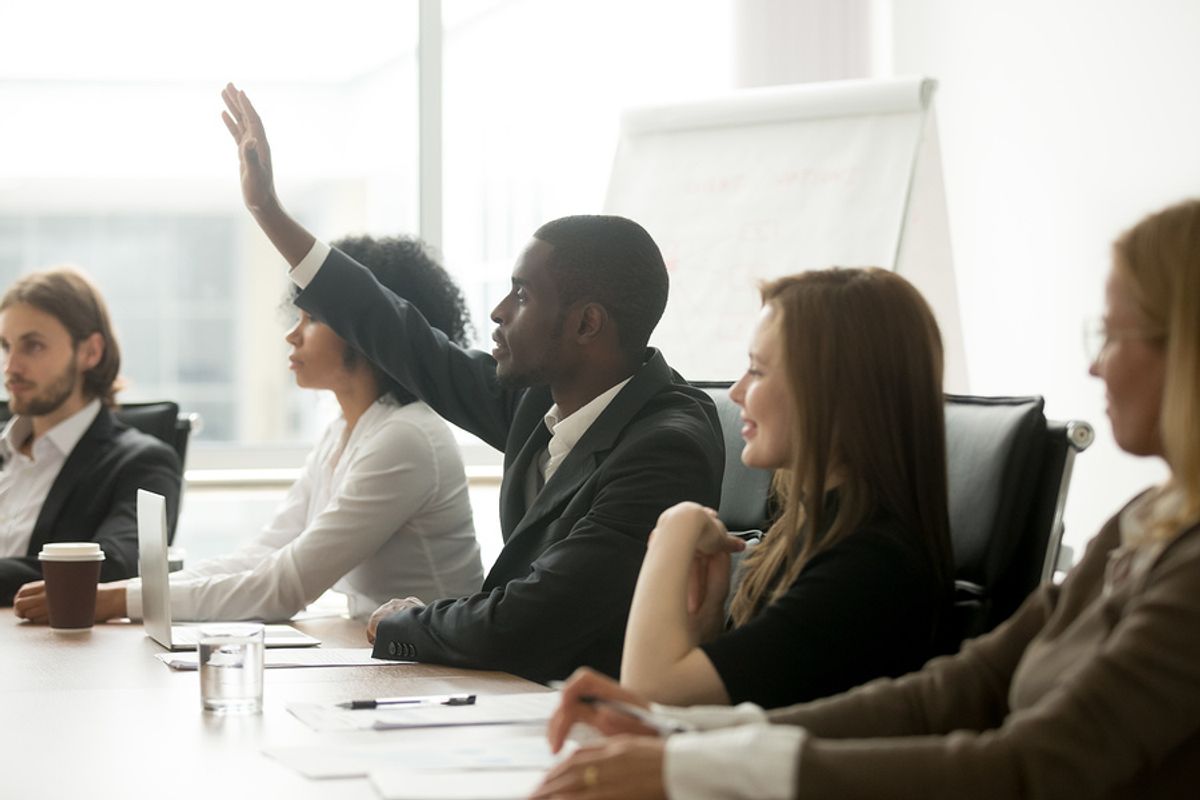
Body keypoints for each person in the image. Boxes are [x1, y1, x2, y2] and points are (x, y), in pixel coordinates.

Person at [534, 198, 1200, 799]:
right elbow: (953, 693)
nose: (1094, 365)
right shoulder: (1143, 522)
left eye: (1113, 335)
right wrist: (686, 736)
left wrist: (691, 758)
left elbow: (1033, 768)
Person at [218, 83, 724, 682]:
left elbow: (530, 620)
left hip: (582, 715)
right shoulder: (545, 401)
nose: (499, 312)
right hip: (512, 694)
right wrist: (268, 212)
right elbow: (402, 335)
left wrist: (410, 622)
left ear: (588, 323)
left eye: (523, 295)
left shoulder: (664, 448)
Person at [13, 236, 484, 626]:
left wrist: (115, 602)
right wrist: (122, 593)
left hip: (441, 676)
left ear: (370, 328)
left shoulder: (406, 438)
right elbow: (262, 555)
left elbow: (285, 586)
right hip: (386, 659)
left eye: (313, 318)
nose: (292, 335)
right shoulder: (347, 429)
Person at [620, 268, 954, 710]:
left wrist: (674, 527)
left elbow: (649, 694)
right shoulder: (810, 531)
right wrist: (707, 628)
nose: (737, 391)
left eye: (757, 371)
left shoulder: (868, 569)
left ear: (833, 393)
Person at [0, 268, 181, 606]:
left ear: (90, 352)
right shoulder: (5, 453)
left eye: (33, 346)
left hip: (47, 650)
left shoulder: (141, 463)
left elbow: (117, 564)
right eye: (6, 346)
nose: (11, 366)